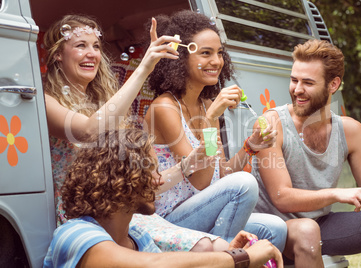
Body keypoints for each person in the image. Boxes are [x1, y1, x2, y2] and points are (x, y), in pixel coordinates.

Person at [43, 13, 235, 252]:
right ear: (58, 54)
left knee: (222, 245)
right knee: (209, 245)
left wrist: (245, 149)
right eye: (81, 46)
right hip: (85, 214)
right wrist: (145, 66)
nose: (92, 53)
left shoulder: (107, 105)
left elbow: (150, 184)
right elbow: (88, 131)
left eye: (96, 46)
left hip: (122, 210)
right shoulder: (45, 101)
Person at [144, 10, 287, 250]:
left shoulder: (206, 104)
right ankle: (220, 260)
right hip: (171, 219)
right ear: (180, 58)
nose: (217, 61)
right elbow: (200, 180)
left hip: (203, 208)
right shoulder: (164, 108)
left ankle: (222, 252)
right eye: (206, 53)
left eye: (220, 53)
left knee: (275, 228)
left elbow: (220, 173)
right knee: (245, 182)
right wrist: (210, 119)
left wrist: (250, 147)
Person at [252, 39, 361, 267]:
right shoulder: (271, 124)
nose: (297, 89)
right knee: (308, 230)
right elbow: (281, 197)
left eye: (308, 82)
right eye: (294, 80)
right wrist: (336, 194)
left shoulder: (351, 130)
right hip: (276, 228)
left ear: (333, 85)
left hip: (322, 224)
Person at [43, 128, 284, 268]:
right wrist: (239, 258)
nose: (160, 181)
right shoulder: (74, 234)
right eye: (153, 171)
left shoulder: (138, 239)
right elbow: (153, 266)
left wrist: (227, 253)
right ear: (122, 179)